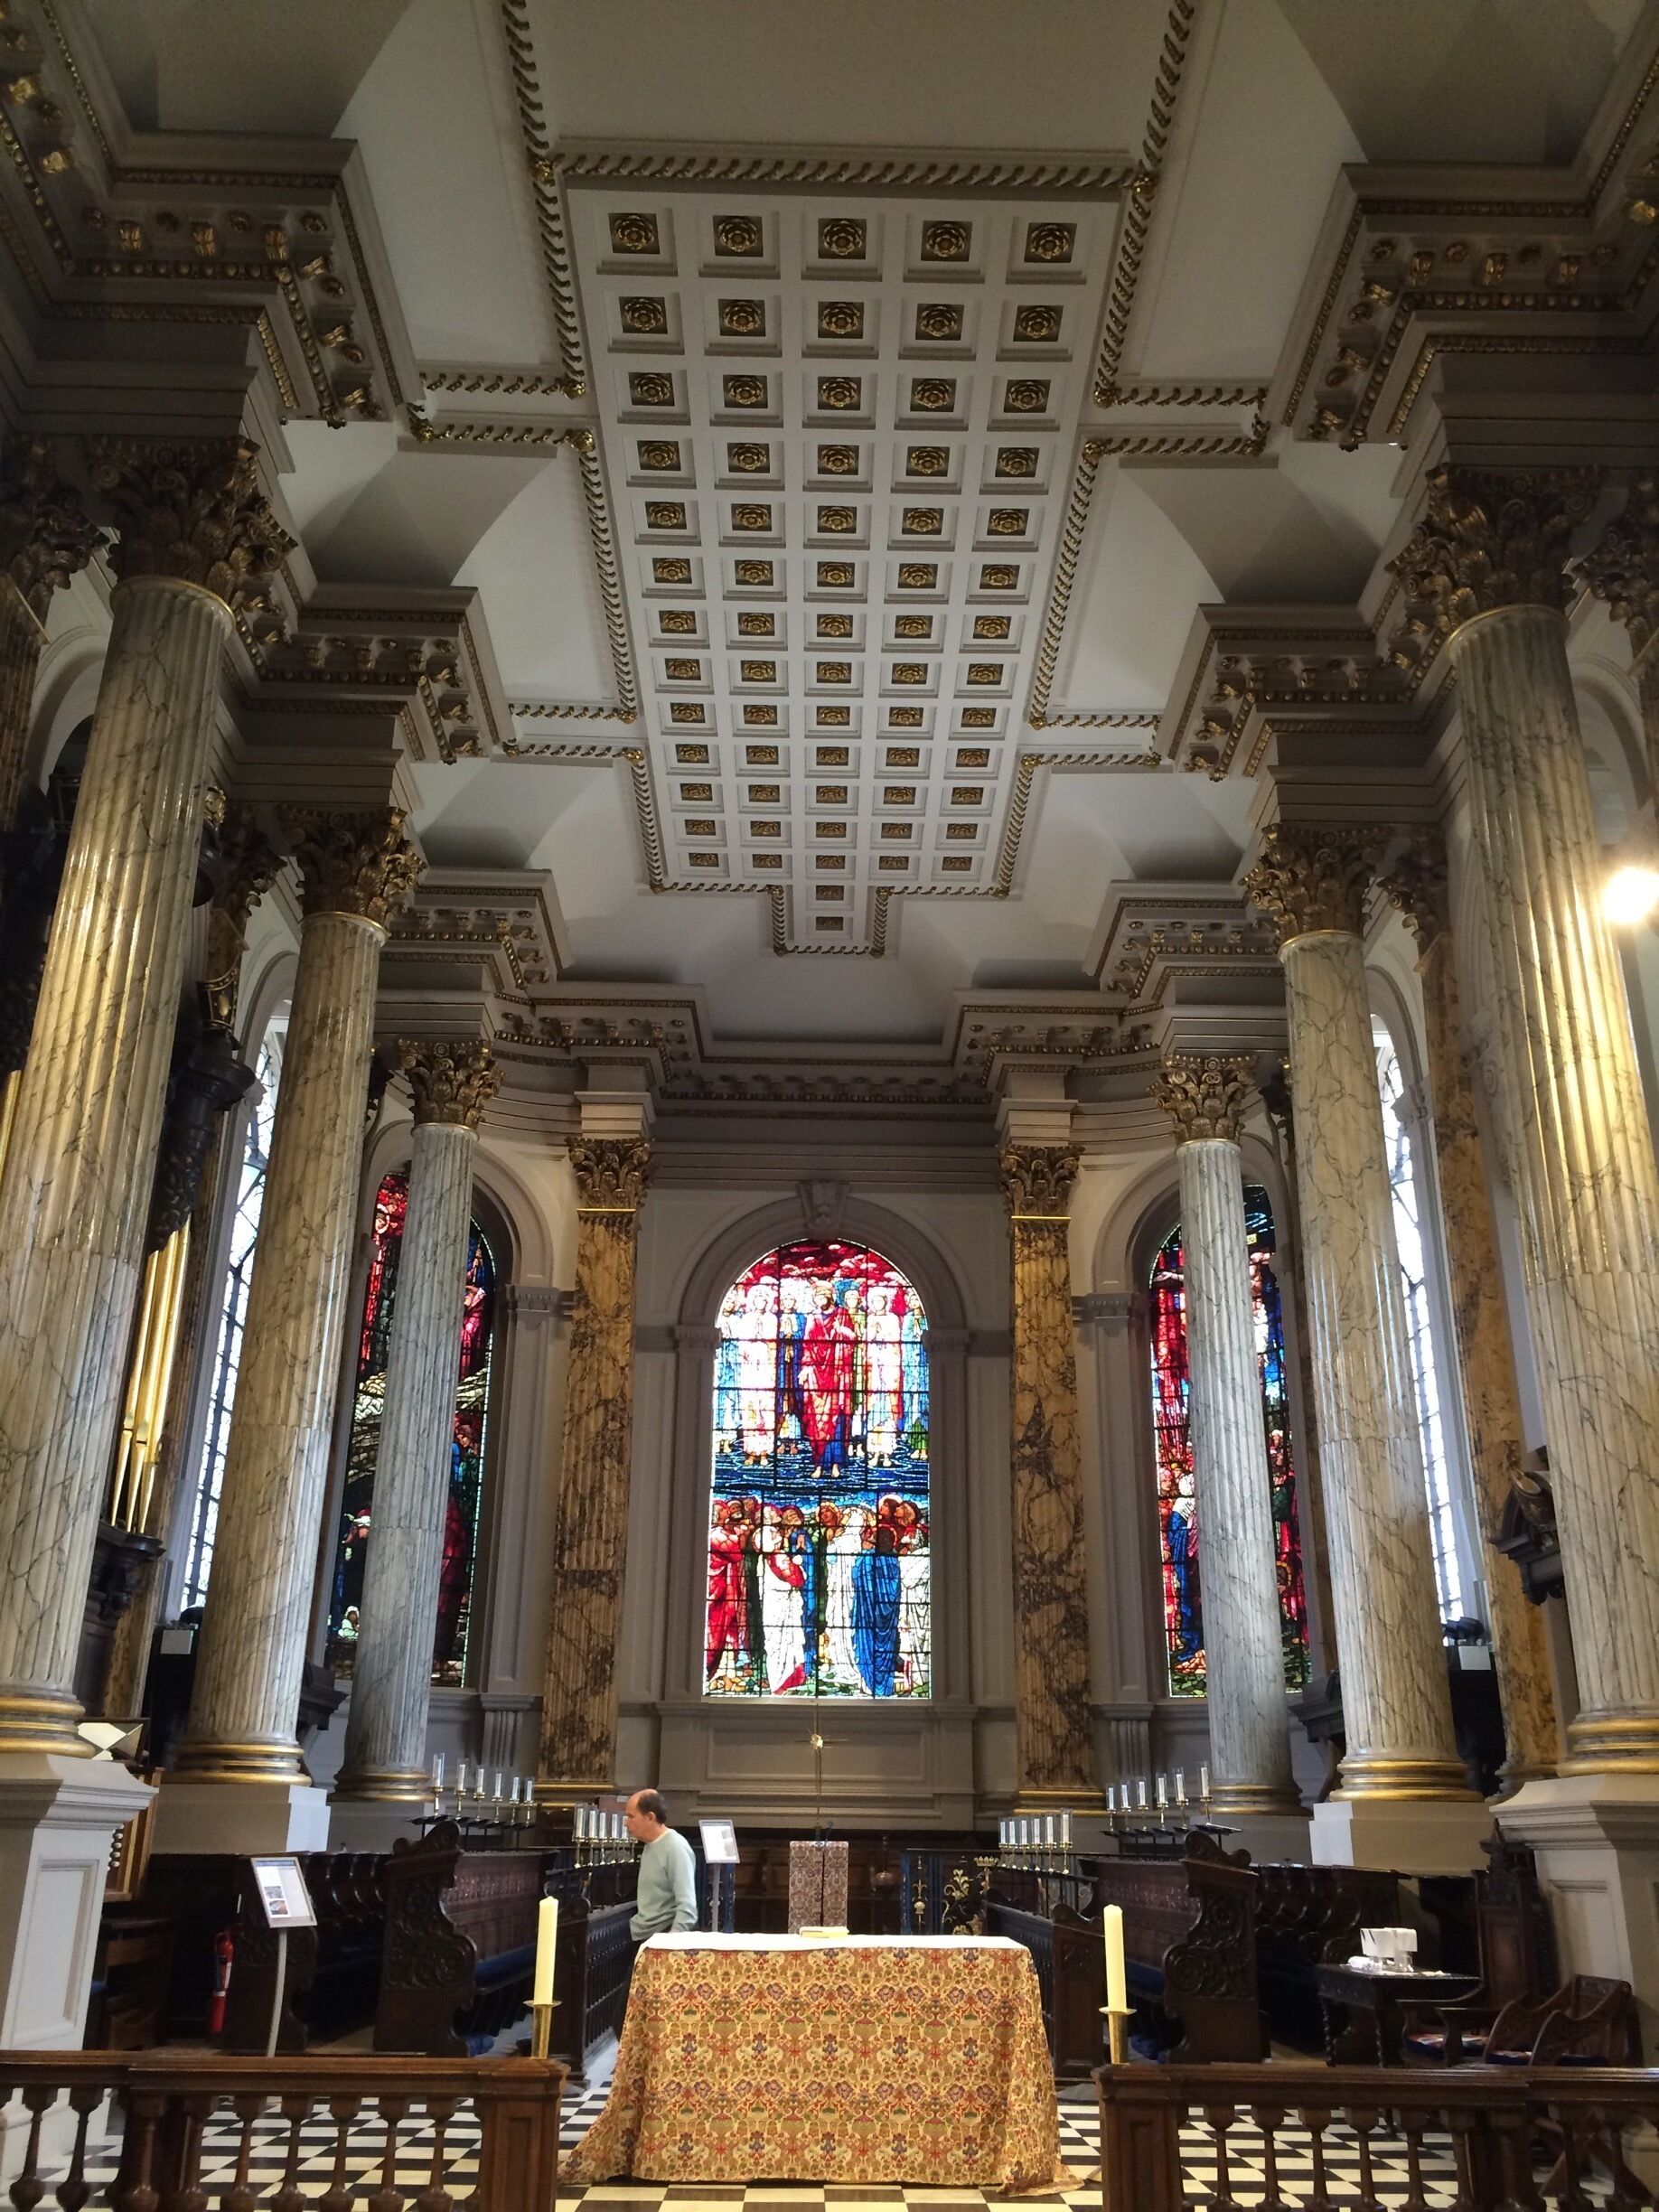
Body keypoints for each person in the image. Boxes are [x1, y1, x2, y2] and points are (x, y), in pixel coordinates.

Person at [624, 1789, 698, 1943]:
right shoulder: (650, 1845)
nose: (626, 1822)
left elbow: (688, 1909)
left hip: (661, 1937)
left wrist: (668, 1946)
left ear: (650, 1817)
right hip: (643, 1934)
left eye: (631, 1816)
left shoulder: (675, 1847)